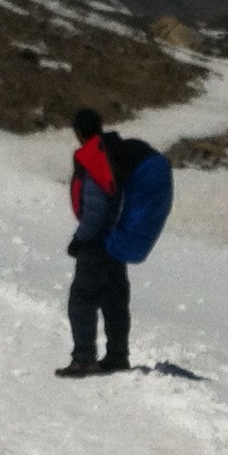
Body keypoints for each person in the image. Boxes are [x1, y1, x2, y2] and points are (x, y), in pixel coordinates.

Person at [59, 107, 131, 378]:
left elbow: (96, 209)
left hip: (97, 243)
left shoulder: (94, 158)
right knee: (114, 300)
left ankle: (84, 359)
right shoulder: (113, 152)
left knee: (82, 300)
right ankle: (117, 356)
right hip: (116, 240)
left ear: (79, 132)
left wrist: (80, 239)